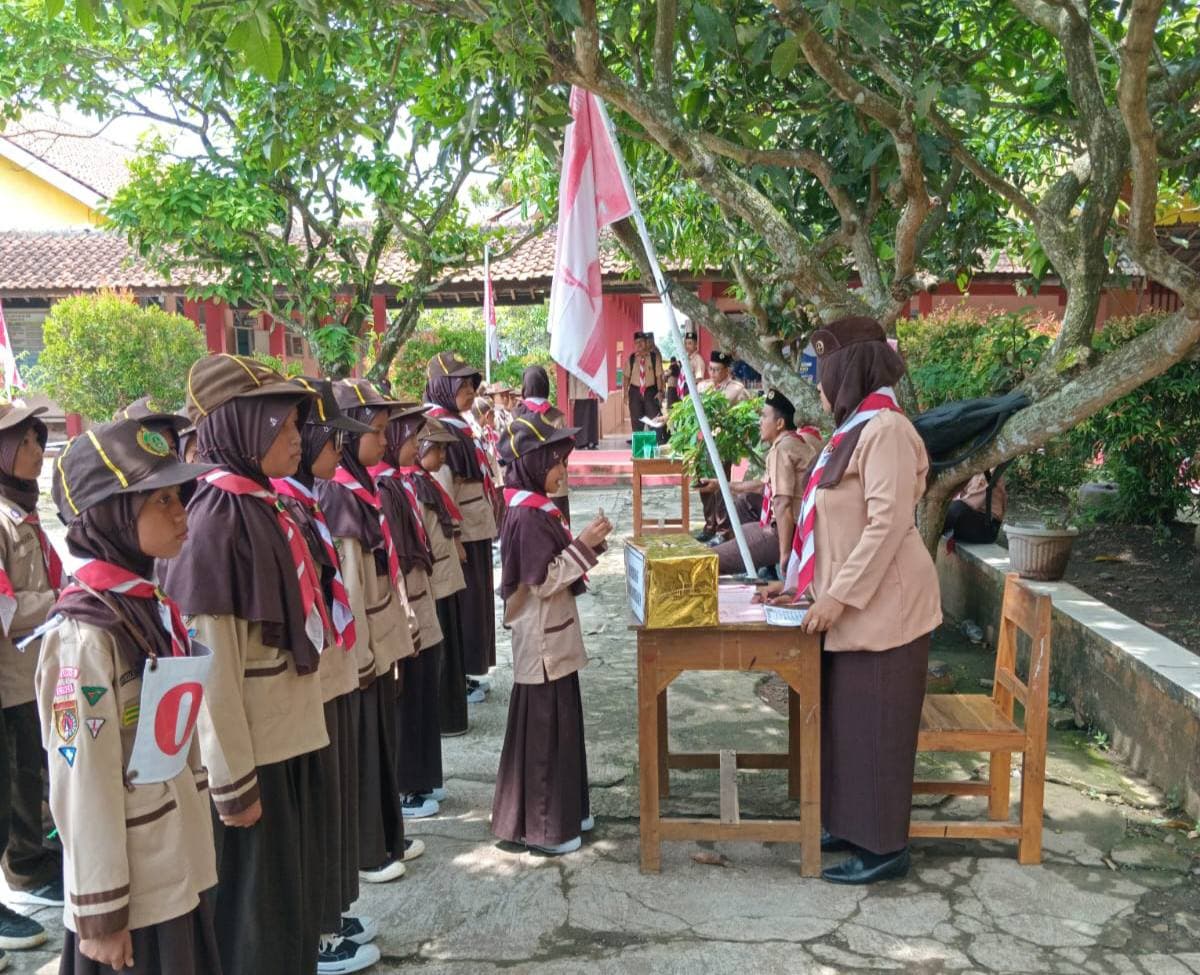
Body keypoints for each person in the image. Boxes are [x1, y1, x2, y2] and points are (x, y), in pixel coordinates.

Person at [159, 354, 329, 975]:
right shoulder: (212, 524)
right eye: (282, 424)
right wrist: (232, 786)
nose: (297, 437)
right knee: (256, 917)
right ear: (240, 427)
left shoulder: (261, 504)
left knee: (287, 904)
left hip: (286, 739)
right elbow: (210, 676)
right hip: (253, 755)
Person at [759, 317, 942, 885]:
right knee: (852, 726)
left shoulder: (885, 430)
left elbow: (886, 526)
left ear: (851, 371)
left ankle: (885, 847)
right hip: (851, 606)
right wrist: (797, 582)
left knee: (878, 729)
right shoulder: (854, 429)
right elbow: (827, 521)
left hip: (888, 609)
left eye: (825, 372)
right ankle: (850, 825)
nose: (819, 385)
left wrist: (836, 598)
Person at [37, 416, 220, 975]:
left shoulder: (143, 603)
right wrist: (102, 914)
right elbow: (81, 779)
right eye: (160, 500)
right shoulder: (84, 636)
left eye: (178, 496)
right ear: (111, 515)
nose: (181, 512)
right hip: (132, 896)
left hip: (172, 861)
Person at [269, 378, 381, 974]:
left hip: (335, 674)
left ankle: (331, 911)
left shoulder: (307, 501)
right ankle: (316, 930)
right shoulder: (280, 508)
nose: (339, 448)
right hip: (309, 687)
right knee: (312, 810)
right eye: (328, 438)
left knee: (333, 803)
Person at [491, 412, 612, 855]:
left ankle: (565, 814)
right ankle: (545, 830)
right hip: (542, 640)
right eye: (556, 461)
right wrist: (583, 544)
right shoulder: (526, 515)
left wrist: (587, 544)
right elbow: (543, 581)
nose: (563, 469)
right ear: (534, 464)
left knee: (559, 728)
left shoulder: (535, 506)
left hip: (551, 636)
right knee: (544, 735)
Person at [318, 379, 421, 882]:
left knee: (380, 744)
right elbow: (351, 585)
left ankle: (386, 835)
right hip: (360, 648)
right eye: (375, 431)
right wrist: (360, 655)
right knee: (361, 750)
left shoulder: (359, 486)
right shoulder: (338, 495)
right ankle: (366, 849)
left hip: (377, 641)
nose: (384, 440)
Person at [375, 409, 457, 821]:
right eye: (410, 439)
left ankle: (424, 776)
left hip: (421, 598)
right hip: (408, 605)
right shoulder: (384, 488)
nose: (414, 446)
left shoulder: (400, 483)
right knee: (408, 699)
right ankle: (407, 786)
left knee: (425, 690)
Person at [0, 403, 61, 958]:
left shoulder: (22, 511)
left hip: (34, 668)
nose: (38, 453)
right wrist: (60, 601)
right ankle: (24, 870)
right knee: (13, 782)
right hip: (9, 678)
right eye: (26, 443)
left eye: (39, 441)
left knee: (34, 772)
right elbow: (7, 607)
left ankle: (37, 858)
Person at [423, 353, 498, 706]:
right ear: (443, 387)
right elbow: (441, 488)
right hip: (462, 533)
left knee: (476, 604)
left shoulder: (459, 423)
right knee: (464, 607)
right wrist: (453, 536)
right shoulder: (439, 428)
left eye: (471, 384)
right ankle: (461, 677)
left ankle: (469, 672)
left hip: (476, 527)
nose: (470, 391)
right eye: (462, 385)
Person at [712, 388, 823, 576]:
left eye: (764, 416)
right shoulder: (793, 442)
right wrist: (721, 485)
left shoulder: (782, 450)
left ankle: (766, 559)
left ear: (779, 423)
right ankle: (763, 568)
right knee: (744, 502)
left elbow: (782, 503)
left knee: (712, 560)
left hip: (789, 530)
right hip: (802, 522)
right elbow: (765, 486)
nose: (760, 421)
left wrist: (785, 554)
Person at [695, 350, 752, 543]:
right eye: (710, 369)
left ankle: (723, 529)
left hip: (722, 444)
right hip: (702, 443)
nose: (712, 373)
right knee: (704, 484)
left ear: (727, 370)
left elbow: (745, 416)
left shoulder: (737, 389)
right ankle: (709, 525)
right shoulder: (703, 387)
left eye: (717, 370)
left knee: (720, 487)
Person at [515, 365, 572, 527]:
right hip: (555, 481)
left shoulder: (517, 415)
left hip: (526, 483)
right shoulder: (557, 416)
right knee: (559, 526)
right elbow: (565, 449)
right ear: (545, 386)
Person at [944, 472, 1008, 547]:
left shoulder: (989, 471)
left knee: (954, 508)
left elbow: (972, 502)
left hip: (987, 528)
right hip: (972, 517)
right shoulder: (970, 470)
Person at [625, 332, 665, 440]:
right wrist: (625, 394)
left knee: (654, 418)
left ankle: (656, 441)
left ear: (646, 343)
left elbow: (659, 376)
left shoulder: (654, 357)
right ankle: (638, 442)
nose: (639, 344)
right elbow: (626, 377)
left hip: (650, 391)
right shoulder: (631, 358)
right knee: (636, 419)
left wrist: (660, 391)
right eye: (637, 342)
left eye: (641, 342)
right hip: (635, 391)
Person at [567, 371, 599, 449]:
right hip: (580, 393)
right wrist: (572, 396)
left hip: (592, 391)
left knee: (592, 418)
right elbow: (572, 377)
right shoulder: (575, 363)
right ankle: (581, 442)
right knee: (580, 419)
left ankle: (592, 441)